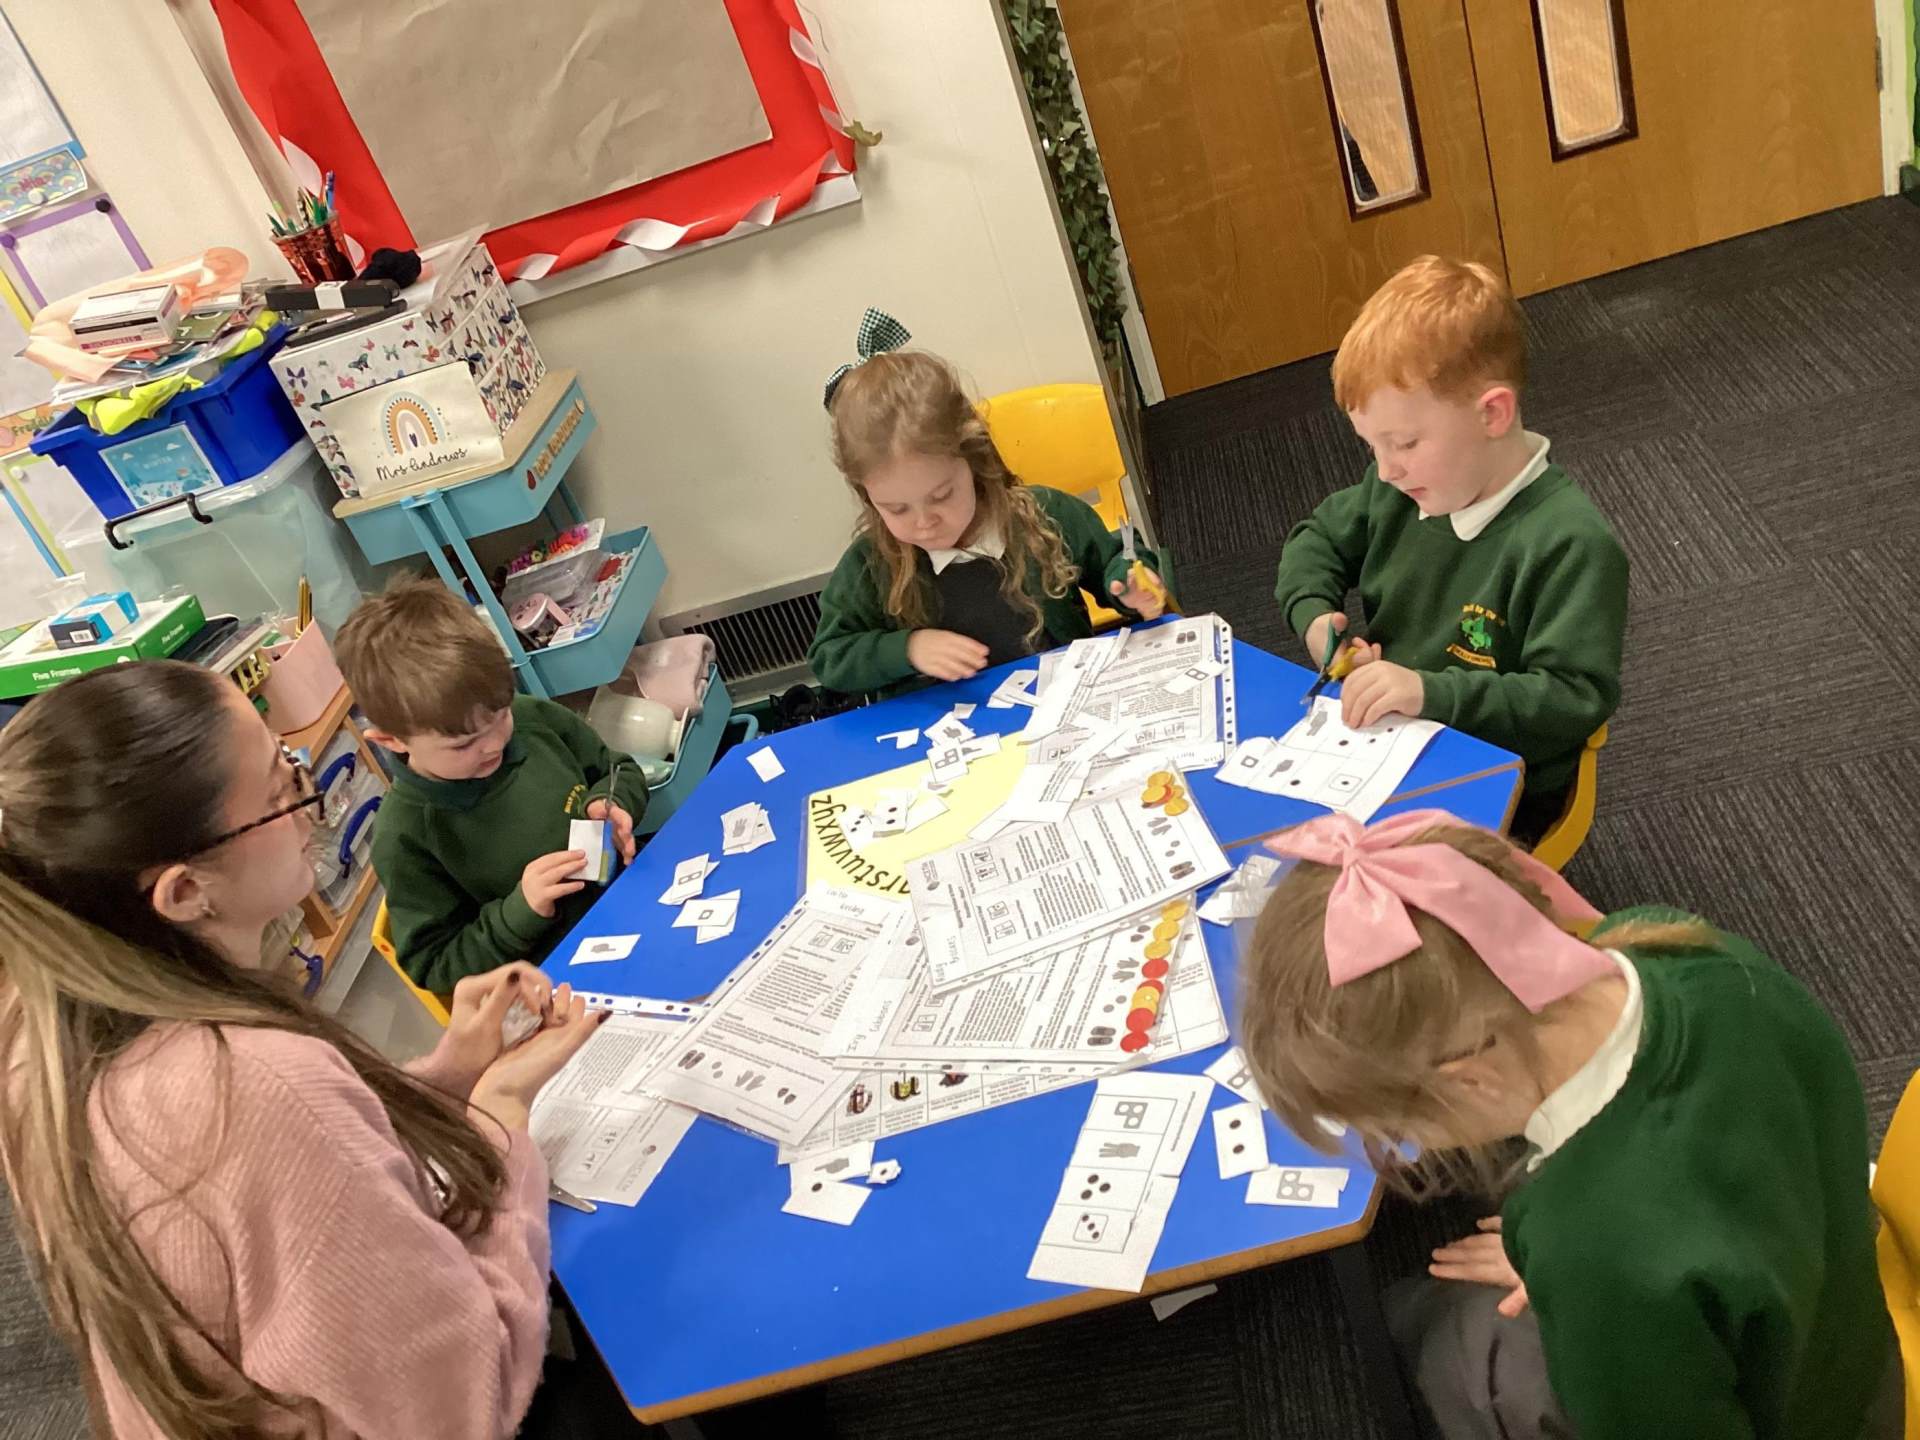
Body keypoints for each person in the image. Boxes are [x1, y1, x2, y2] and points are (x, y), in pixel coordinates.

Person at [0, 660, 609, 1439]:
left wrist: (453, 1071)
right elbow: (466, 1409)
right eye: (277, 791)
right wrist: (500, 1118)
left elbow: (303, 1179)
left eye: (290, 759)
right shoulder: (249, 1085)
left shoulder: (49, 1035)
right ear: (183, 891)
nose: (305, 794)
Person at [1236, 809, 1901, 1440]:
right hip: (1846, 1337)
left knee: (1442, 1336)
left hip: (1793, 1416)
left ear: (1470, 1078)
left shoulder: (1593, 1247)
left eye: (1393, 1128)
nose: (1403, 1145)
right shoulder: (1685, 950)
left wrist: (1578, 1271)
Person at [1272, 257, 1628, 844]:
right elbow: (1316, 539)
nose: (1386, 469)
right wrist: (1316, 620)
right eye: (1372, 447)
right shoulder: (1400, 487)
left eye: (1405, 443)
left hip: (1500, 780)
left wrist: (1427, 692)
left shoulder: (1570, 543)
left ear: (1492, 413)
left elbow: (1572, 699)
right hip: (1395, 739)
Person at [807, 310, 1169, 697]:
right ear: (867, 496)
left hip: (1063, 703)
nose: (924, 522)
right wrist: (907, 649)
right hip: (950, 725)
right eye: (897, 509)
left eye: (941, 496)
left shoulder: (1045, 514)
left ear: (975, 460)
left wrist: (1131, 584)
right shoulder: (870, 563)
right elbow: (830, 657)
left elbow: (1117, 560)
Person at [335, 578, 650, 994]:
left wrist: (612, 801)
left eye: (500, 716)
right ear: (392, 741)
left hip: (634, 904)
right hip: (557, 978)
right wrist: (520, 911)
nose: (493, 744)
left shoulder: (532, 718)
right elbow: (435, 967)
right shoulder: (405, 835)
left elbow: (617, 769)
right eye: (463, 744)